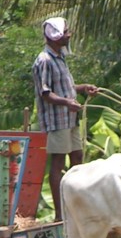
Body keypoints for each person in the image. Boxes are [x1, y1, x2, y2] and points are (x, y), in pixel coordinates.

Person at [31, 16, 98, 220]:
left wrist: (83, 88)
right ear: (56, 36)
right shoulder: (44, 60)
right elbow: (45, 93)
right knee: (58, 162)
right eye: (66, 32)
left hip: (70, 119)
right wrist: (67, 103)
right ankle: (61, 214)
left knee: (77, 157)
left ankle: (77, 207)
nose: (69, 35)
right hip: (56, 120)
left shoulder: (60, 57)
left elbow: (66, 87)